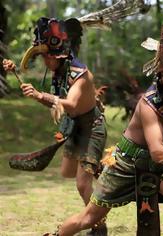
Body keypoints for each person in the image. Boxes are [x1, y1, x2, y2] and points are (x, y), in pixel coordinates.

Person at [52, 4, 163, 235]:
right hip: (127, 163)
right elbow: (157, 150)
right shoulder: (149, 103)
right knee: (89, 218)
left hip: (162, 164)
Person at [3, 17, 107, 235]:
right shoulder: (59, 73)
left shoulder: (80, 73)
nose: (44, 61)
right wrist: (36, 96)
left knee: (82, 183)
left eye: (45, 56)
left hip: (92, 128)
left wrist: (41, 94)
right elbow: (58, 103)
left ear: (57, 55)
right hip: (75, 126)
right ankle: (102, 168)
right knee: (67, 171)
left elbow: (71, 103)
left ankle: (99, 225)